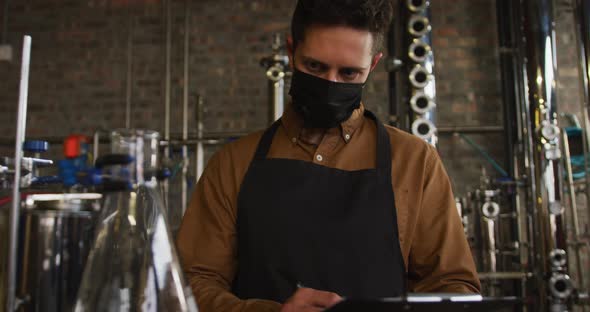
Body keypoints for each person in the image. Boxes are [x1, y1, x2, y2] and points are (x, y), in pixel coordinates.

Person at [176, 0, 481, 311]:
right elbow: (192, 283)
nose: (330, 84)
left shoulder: (416, 162)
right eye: (315, 67)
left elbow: (453, 288)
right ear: (292, 49)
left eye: (349, 73)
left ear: (373, 65)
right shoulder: (232, 164)